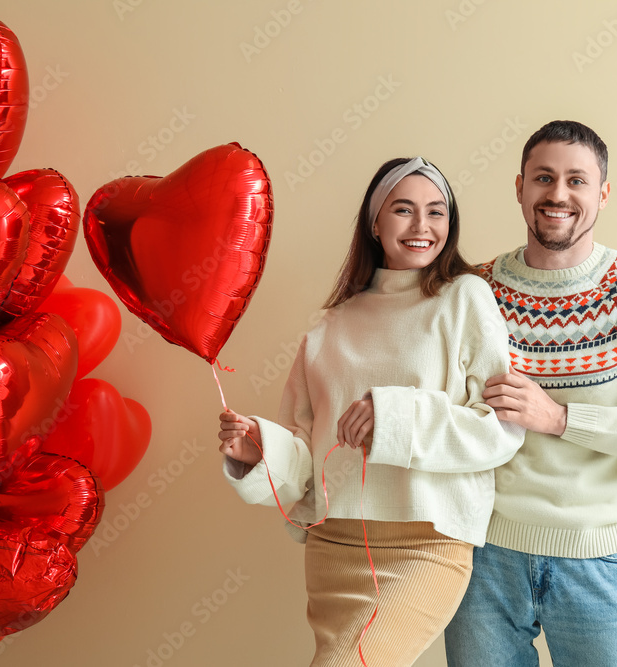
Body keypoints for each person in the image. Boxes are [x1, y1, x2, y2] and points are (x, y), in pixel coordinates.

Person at [217, 156, 524, 666]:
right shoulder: (331, 324)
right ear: (375, 222)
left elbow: (499, 430)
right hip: (334, 547)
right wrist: (257, 449)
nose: (423, 226)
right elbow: (308, 452)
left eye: (437, 212)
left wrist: (395, 416)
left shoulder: (466, 298)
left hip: (425, 546)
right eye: (404, 210)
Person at [444, 121, 617, 667]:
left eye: (576, 181)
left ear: (602, 194)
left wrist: (560, 418)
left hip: (597, 557)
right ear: (520, 188)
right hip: (484, 556)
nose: (557, 194)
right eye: (543, 178)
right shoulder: (477, 290)